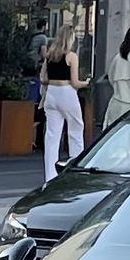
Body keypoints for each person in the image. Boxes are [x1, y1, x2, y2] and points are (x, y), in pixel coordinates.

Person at [39, 49, 84, 179]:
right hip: (66, 92)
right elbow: (75, 82)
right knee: (76, 130)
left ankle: (50, 175)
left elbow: (43, 78)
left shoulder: (50, 55)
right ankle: (76, 171)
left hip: (52, 93)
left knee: (52, 136)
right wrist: (85, 83)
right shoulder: (71, 56)